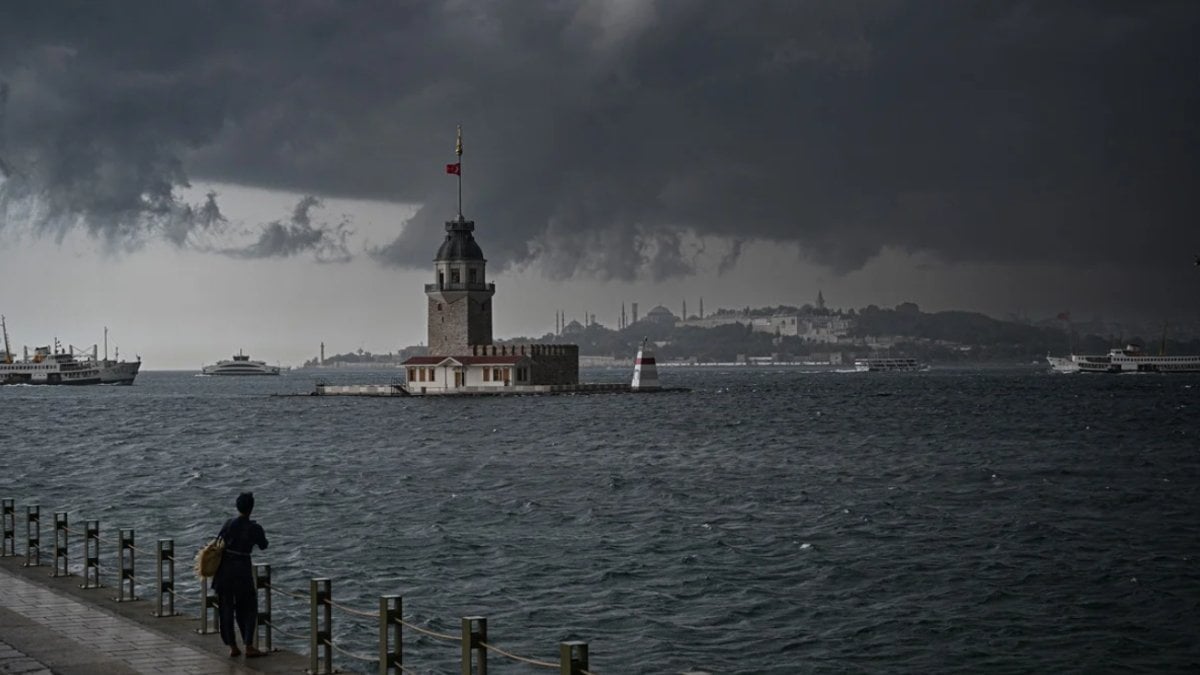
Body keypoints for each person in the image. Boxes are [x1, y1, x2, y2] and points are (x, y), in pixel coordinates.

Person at [212, 491, 269, 658]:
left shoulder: (228, 523)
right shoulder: (254, 528)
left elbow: (218, 541)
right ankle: (249, 645)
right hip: (242, 570)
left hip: (224, 571)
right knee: (248, 608)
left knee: (226, 609)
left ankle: (232, 646)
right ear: (251, 508)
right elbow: (264, 545)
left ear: (237, 507)